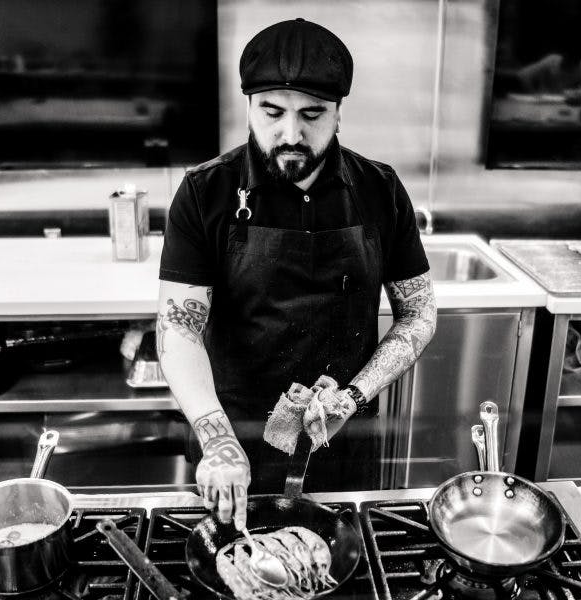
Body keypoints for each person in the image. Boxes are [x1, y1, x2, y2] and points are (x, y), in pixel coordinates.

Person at [156, 18, 436, 531]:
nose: (292, 134)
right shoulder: (205, 192)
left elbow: (418, 313)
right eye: (272, 112)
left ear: (337, 112)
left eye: (312, 114)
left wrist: (354, 396)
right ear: (249, 106)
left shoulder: (379, 189)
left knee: (341, 567)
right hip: (234, 433)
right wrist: (217, 440)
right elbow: (178, 327)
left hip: (345, 436)